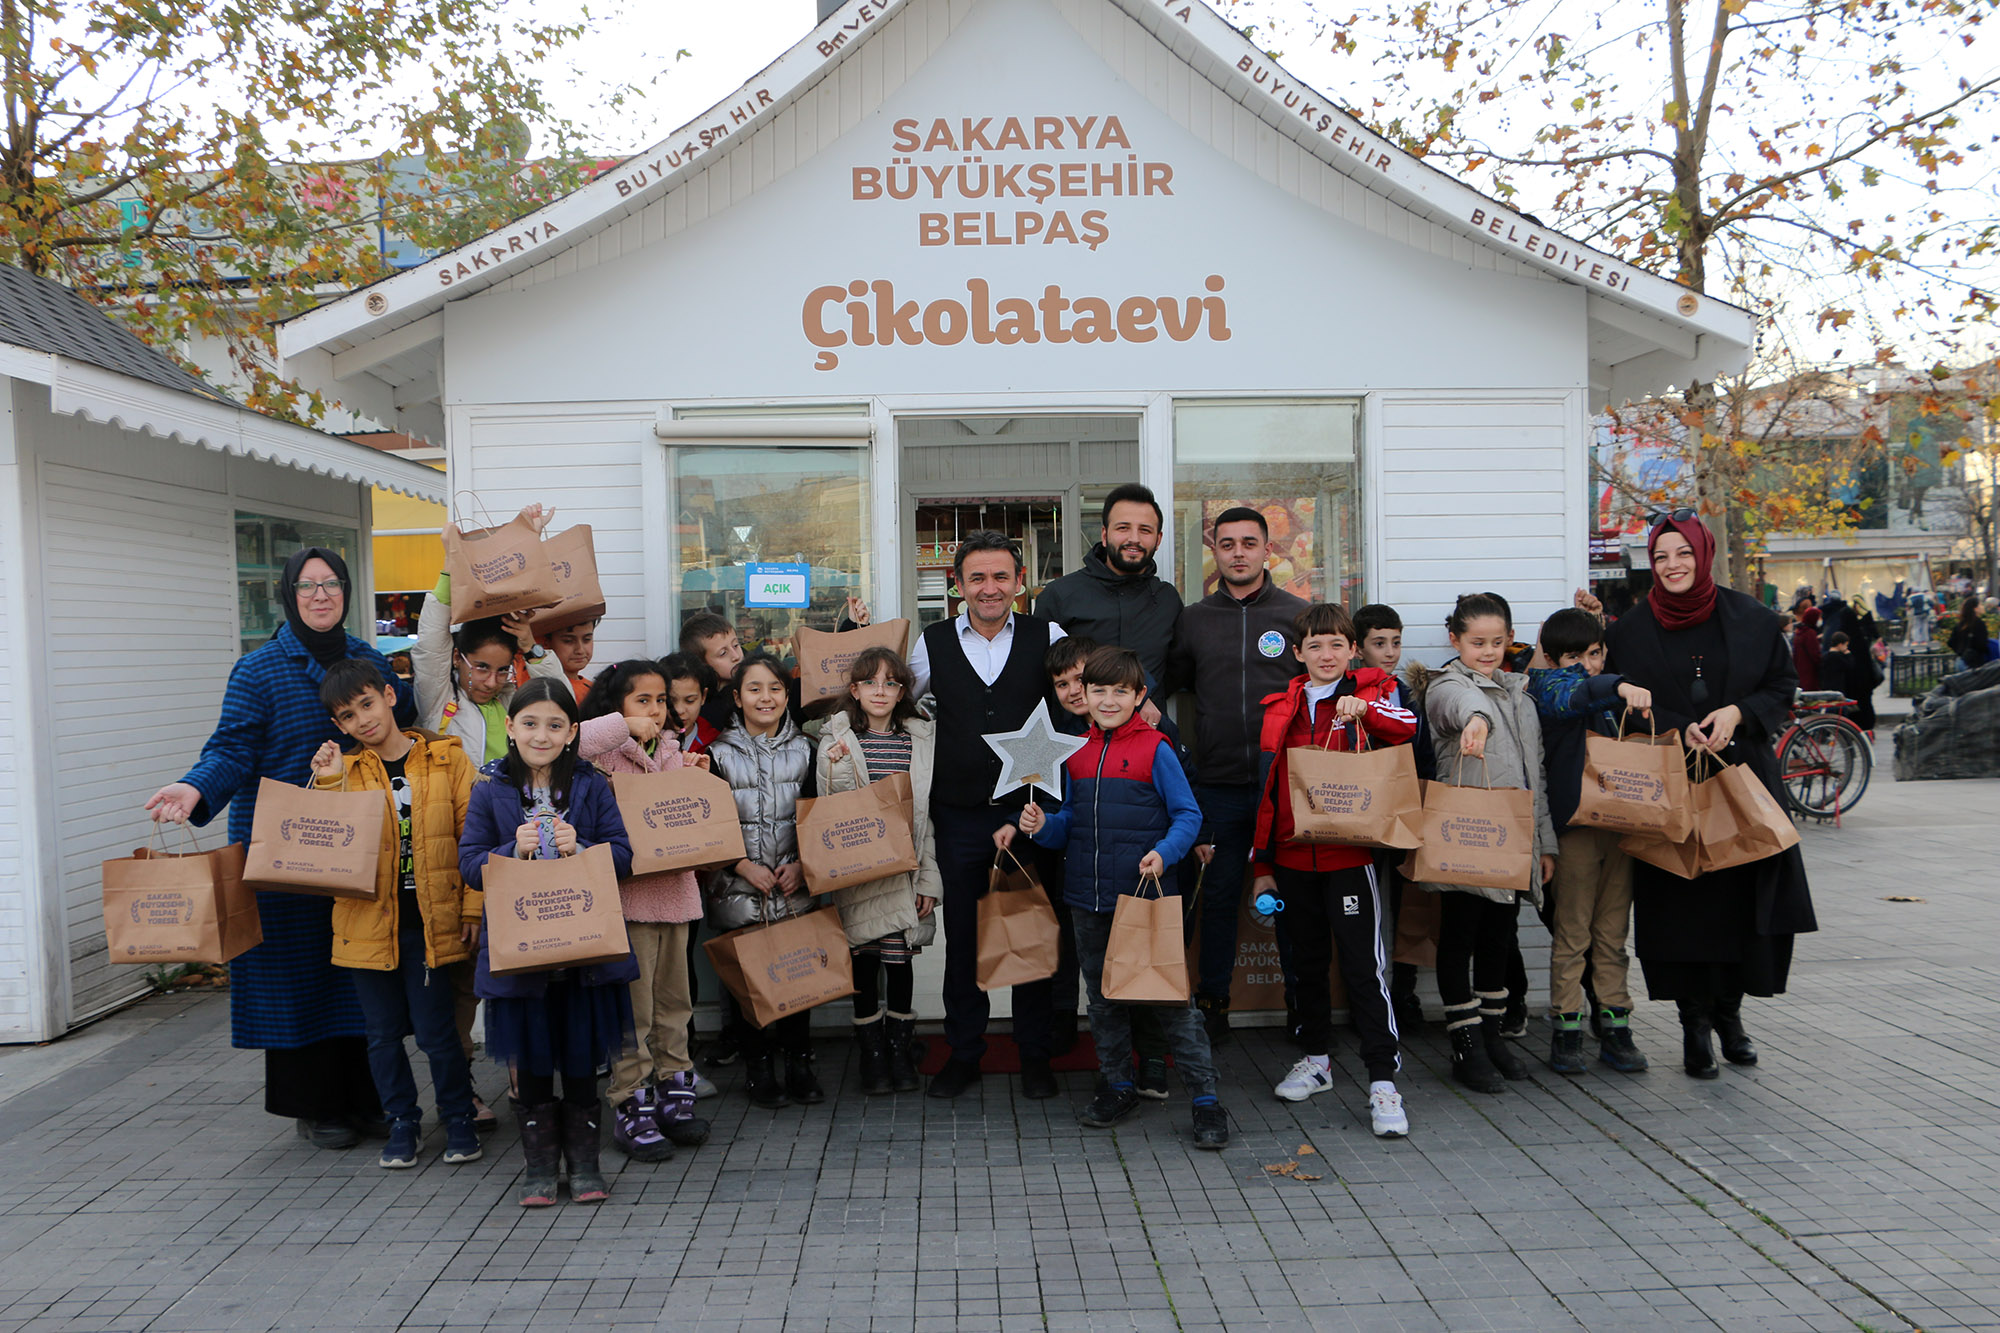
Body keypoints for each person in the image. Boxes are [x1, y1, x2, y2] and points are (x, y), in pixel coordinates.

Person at [144, 546, 414, 1149]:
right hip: (281, 850)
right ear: (290, 596)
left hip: (358, 843)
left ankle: (373, 1098)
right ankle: (317, 1106)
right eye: (307, 586)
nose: (321, 595)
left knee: (362, 969)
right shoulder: (259, 669)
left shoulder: (371, 660)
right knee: (298, 977)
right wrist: (194, 787)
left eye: (332, 584)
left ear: (346, 592)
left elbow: (404, 725)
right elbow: (232, 748)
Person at [1606, 514, 1818, 1079]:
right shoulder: (1630, 629)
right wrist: (1678, 725)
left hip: (1744, 784)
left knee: (1744, 908)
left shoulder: (1750, 618)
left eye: (1683, 554)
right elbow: (1621, 703)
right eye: (1661, 557)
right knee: (1682, 911)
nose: (1673, 565)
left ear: (1704, 555)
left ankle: (1731, 1018)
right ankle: (1694, 1026)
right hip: (1671, 790)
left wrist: (1737, 713)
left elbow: (1781, 686)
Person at [1017, 647, 1227, 1149]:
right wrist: (1043, 826)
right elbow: (1069, 825)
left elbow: (1188, 816)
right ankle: (1118, 1086)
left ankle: (1205, 1100)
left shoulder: (1156, 749)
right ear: (1083, 696)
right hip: (1086, 899)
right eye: (1098, 691)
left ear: (1139, 696)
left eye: (1119, 691)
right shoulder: (1076, 754)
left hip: (1145, 897)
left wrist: (1165, 852)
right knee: (1104, 1001)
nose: (1108, 700)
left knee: (1171, 1001)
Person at [460, 678, 636, 1206]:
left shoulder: (591, 784)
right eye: (530, 723)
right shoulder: (489, 788)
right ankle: (539, 1168)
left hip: (583, 956)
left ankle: (584, 1166)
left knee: (581, 1064)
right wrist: (509, 849)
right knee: (533, 1067)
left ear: (573, 732)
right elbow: (469, 866)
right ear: (510, 729)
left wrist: (581, 846)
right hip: (522, 958)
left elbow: (624, 857)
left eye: (555, 725)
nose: (542, 734)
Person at [908, 531, 1067, 1100]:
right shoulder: (931, 643)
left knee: (1027, 937)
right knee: (966, 941)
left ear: (1019, 583)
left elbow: (1077, 706)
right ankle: (965, 1052)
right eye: (977, 577)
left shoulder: (1049, 636)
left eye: (1001, 576)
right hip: (959, 816)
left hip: (1029, 813)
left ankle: (1035, 1055)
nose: (990, 588)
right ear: (957, 586)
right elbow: (896, 701)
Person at [1248, 604, 1417, 1138]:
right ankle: (1317, 1059)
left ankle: (1383, 1082)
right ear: (1298, 653)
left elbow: (1408, 729)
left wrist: (1365, 712)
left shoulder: (1375, 690)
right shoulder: (1281, 707)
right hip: (1294, 860)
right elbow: (1269, 794)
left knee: (1365, 968)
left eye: (1337, 646)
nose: (1327, 655)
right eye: (1315, 646)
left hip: (1351, 859)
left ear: (1352, 651)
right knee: (1306, 965)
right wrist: (1265, 865)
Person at [309, 660, 481, 1169]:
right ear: (339, 727)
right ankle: (402, 1121)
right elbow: (327, 843)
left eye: (367, 703)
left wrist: (474, 906)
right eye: (348, 715)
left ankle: (458, 1118)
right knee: (382, 1035)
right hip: (366, 925)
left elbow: (475, 836)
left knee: (436, 1033)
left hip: (428, 922)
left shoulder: (446, 759)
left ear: (388, 695)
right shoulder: (345, 770)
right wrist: (327, 781)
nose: (362, 719)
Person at [1162, 506, 1308, 1042]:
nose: (1239, 552)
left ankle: (1302, 1007)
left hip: (1285, 786)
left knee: (1290, 900)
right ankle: (1214, 1003)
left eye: (1250, 542)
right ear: (1215, 551)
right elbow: (1172, 687)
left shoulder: (1298, 615)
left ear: (1268, 549)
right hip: (1218, 785)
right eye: (1228, 544)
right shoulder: (1195, 619)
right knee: (1218, 898)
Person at [1417, 593, 1557, 1094]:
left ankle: (1494, 1035)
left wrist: (1545, 844)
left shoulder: (1521, 692)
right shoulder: (1445, 686)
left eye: (1498, 642)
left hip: (1512, 838)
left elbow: (1534, 774)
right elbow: (1461, 706)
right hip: (1466, 837)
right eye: (1478, 642)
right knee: (1459, 937)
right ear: (1455, 640)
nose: (1489, 651)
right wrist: (1478, 720)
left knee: (1500, 938)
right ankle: (1466, 1044)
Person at [578, 661, 711, 1162]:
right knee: (631, 1011)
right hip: (627, 901)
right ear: (617, 707)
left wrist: (695, 776)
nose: (656, 710)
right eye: (643, 700)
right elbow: (571, 741)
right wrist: (622, 727)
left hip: (675, 898)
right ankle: (631, 1102)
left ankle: (675, 1090)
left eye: (662, 701)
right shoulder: (604, 754)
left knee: (674, 1003)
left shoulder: (675, 752)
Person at [1522, 608, 1653, 1077]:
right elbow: (1573, 692)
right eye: (1574, 656)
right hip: (1573, 831)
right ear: (1553, 658)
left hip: (1620, 828)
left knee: (1613, 936)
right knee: (1573, 935)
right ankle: (1567, 1030)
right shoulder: (1549, 688)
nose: (1588, 664)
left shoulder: (1615, 695)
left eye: (1595, 654)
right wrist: (1615, 684)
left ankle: (1616, 1027)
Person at [815, 647, 940, 1095]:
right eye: (870, 682)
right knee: (865, 962)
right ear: (855, 690)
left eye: (891, 683)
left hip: (906, 870)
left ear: (903, 690)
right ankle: (871, 1056)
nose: (881, 691)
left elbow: (929, 818)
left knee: (900, 960)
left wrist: (929, 880)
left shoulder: (919, 740)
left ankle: (899, 1051)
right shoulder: (837, 743)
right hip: (860, 870)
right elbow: (830, 814)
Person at [704, 653, 823, 1108]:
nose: (765, 697)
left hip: (794, 886)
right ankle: (758, 1069)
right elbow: (706, 827)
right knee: (750, 985)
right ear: (736, 698)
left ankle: (799, 1064)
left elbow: (818, 819)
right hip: (740, 888)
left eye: (775, 688)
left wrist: (803, 864)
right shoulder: (715, 756)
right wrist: (739, 865)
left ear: (786, 694)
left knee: (799, 978)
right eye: (754, 689)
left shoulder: (807, 749)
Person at [1352, 603, 1436, 1033]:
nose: (1389, 652)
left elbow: (1423, 753)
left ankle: (1404, 991)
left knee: (1407, 902)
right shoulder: (1346, 691)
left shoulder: (1407, 692)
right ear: (1358, 647)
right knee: (1363, 904)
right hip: (1362, 811)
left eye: (1396, 642)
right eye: (1378, 643)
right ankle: (1362, 994)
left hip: (1403, 807)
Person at [1033, 482, 1182, 697]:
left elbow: (1176, 671)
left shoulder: (1167, 600)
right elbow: (1042, 674)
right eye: (1123, 528)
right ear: (1104, 535)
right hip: (1080, 731)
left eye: (1145, 530)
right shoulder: (1060, 596)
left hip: (1149, 729)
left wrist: (1147, 698)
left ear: (1158, 540)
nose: (1134, 539)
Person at [657, 652, 720, 757]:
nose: (679, 710)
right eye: (670, 701)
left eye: (690, 701)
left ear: (703, 696)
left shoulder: (715, 744)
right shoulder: (642, 740)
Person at [542, 619, 599, 703]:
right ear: (546, 643)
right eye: (568, 641)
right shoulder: (539, 687)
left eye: (587, 639)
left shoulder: (595, 690)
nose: (580, 650)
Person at [1948, 596, 1994, 670]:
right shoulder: (1979, 624)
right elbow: (1981, 644)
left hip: (1960, 660)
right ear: (1975, 608)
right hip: (1973, 663)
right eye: (1980, 605)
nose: (1983, 607)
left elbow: (1951, 642)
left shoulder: (1961, 623)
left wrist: (1960, 651)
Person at [1793, 605, 1823, 691]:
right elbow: (1815, 654)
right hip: (1810, 671)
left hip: (1800, 669)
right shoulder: (1810, 633)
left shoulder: (1799, 631)